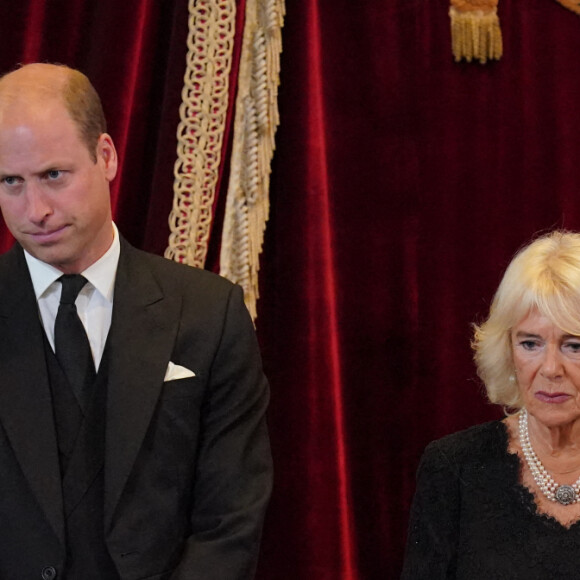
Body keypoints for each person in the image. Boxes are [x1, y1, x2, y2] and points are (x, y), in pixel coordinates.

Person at [0, 63, 272, 579]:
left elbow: (230, 522)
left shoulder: (209, 315)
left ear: (105, 156)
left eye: (53, 176)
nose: (34, 209)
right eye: (10, 182)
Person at [402, 230, 580, 579]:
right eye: (531, 343)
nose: (550, 369)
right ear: (508, 350)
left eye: (574, 346)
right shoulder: (454, 467)